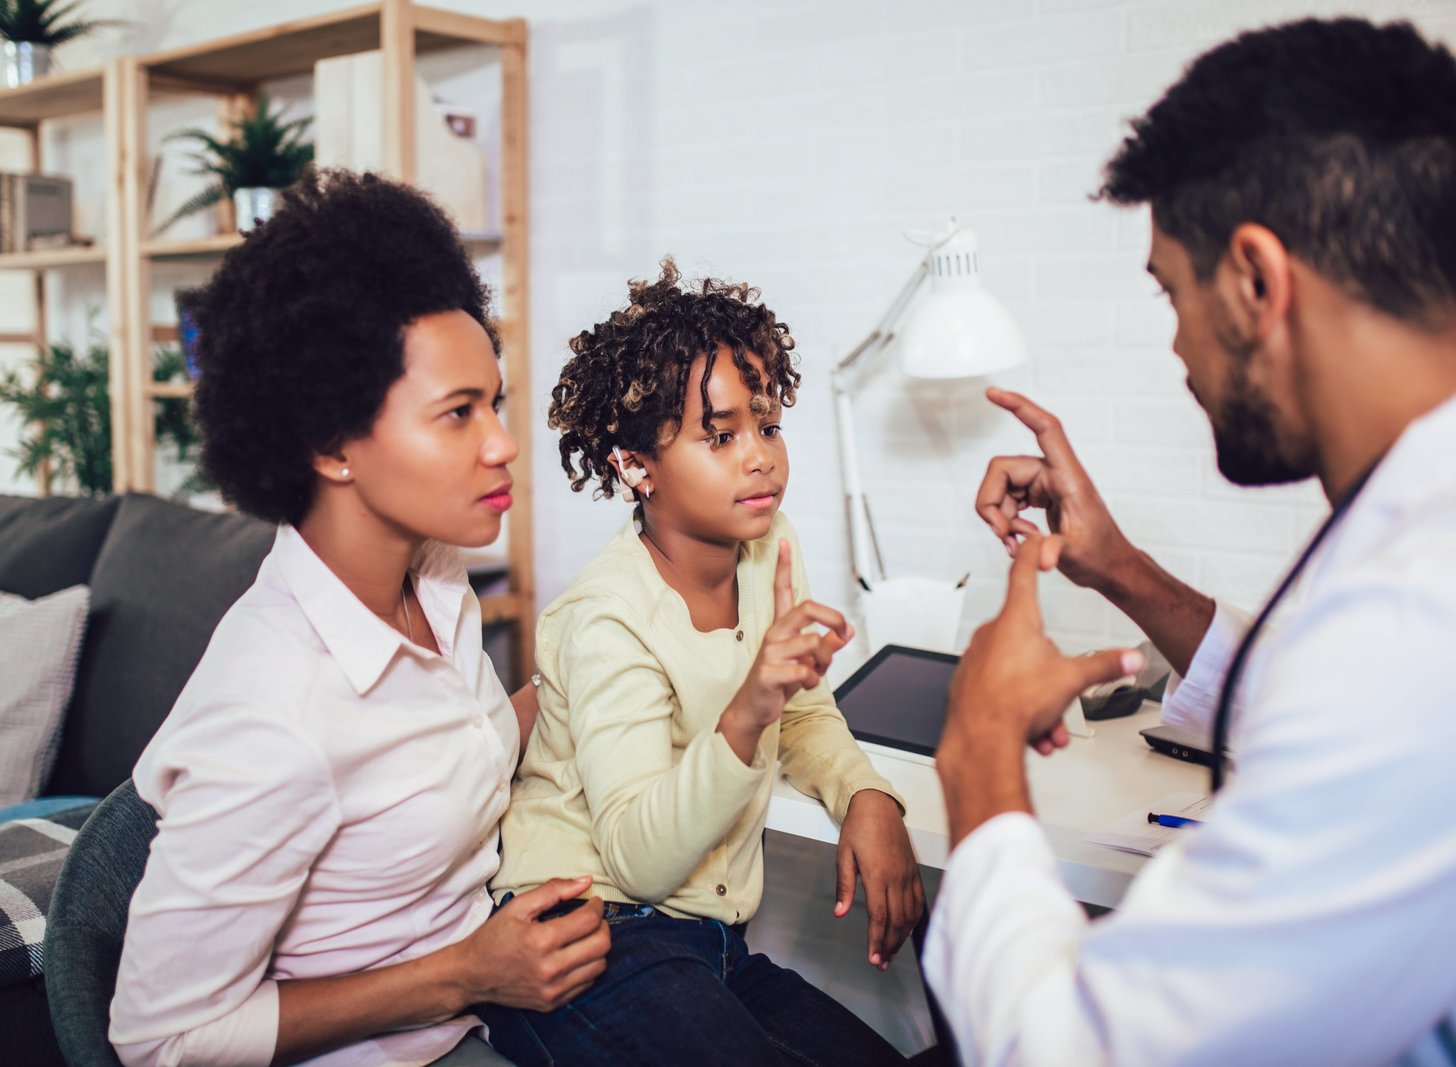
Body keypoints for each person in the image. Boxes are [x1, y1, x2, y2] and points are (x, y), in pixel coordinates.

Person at [923, 16, 1456, 1066]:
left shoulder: (1411, 622)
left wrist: (979, 745)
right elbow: (1311, 711)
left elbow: (1066, 1051)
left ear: (1256, 279)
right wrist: (1113, 563)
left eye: (1171, 292)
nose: (1173, 344)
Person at [108, 170, 610, 1067]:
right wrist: (466, 971)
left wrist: (599, 669)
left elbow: (458, 744)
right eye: (457, 414)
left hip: (497, 1004)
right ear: (331, 445)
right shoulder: (275, 711)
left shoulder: (437, 576)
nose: (501, 441)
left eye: (492, 401)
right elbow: (160, 1038)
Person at [481, 262, 920, 1065]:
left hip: (709, 941)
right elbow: (638, 857)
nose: (758, 457)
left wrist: (864, 791)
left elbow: (802, 708)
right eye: (719, 436)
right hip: (586, 932)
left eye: (767, 424)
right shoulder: (606, 616)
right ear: (634, 466)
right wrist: (748, 708)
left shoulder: (769, 543)